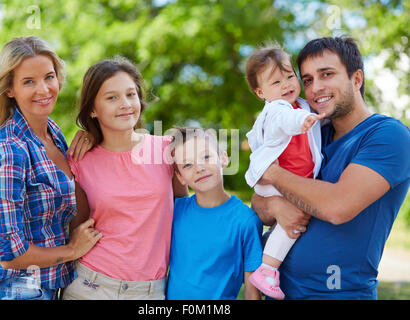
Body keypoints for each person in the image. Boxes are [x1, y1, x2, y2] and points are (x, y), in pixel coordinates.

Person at [251, 36, 410, 299]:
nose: (315, 88)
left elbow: (337, 208)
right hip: (279, 291)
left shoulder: (388, 135)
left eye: (327, 74)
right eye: (308, 80)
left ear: (356, 79)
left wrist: (273, 172)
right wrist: (276, 206)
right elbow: (258, 204)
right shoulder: (312, 136)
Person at [0, 36, 101, 300]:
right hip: (14, 289)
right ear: (9, 89)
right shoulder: (9, 149)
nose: (43, 89)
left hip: (46, 286)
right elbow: (9, 252)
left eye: (49, 77)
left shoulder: (52, 132)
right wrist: (73, 250)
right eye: (29, 81)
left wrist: (95, 135)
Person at [61, 57, 188, 300]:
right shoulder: (80, 159)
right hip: (90, 286)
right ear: (92, 109)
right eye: (112, 97)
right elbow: (78, 227)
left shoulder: (167, 151)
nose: (125, 104)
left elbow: (186, 214)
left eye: (131, 94)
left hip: (149, 292)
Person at [243, 44, 325, 299]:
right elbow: (286, 121)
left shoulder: (301, 104)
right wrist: (302, 120)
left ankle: (266, 266)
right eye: (276, 82)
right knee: (294, 220)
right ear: (261, 93)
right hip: (275, 177)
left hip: (289, 176)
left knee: (290, 221)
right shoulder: (278, 109)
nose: (286, 84)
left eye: (290, 76)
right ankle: (267, 268)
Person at [166, 127, 263, 300]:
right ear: (180, 177)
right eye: (187, 165)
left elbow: (252, 289)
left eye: (206, 157)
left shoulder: (245, 220)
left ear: (223, 158)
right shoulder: (175, 211)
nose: (199, 168)